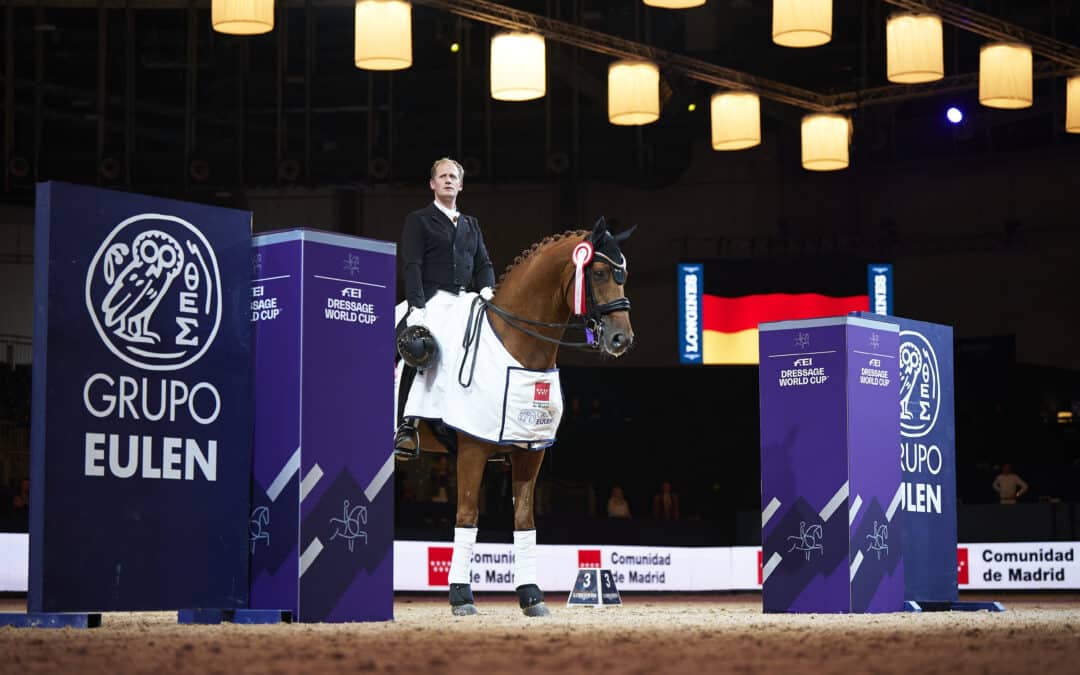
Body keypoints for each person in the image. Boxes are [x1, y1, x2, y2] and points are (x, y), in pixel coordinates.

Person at [394, 157, 496, 459]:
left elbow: (484, 263)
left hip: (465, 300)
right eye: (443, 176)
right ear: (433, 184)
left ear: (461, 185)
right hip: (431, 299)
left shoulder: (471, 224)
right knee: (418, 346)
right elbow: (411, 264)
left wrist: (488, 289)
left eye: (453, 176)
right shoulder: (419, 219)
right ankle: (407, 424)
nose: (448, 180)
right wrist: (417, 306)